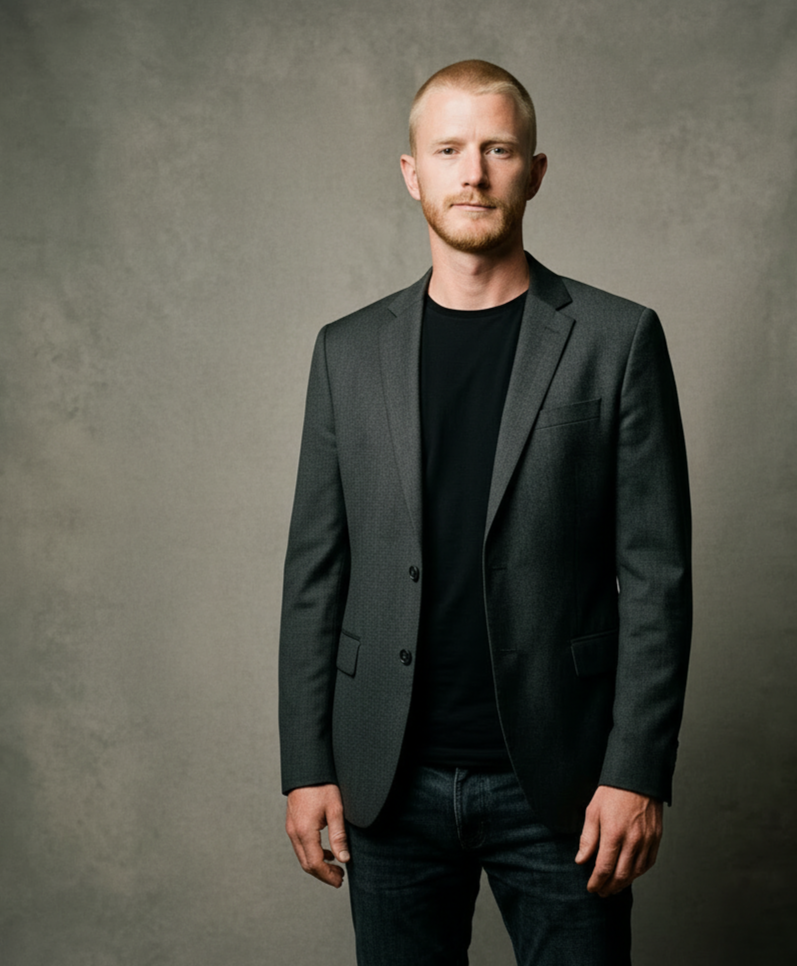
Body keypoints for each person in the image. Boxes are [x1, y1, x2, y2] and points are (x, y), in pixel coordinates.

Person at [279, 59, 692, 965]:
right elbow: (316, 574)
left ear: (535, 171)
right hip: (387, 782)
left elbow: (658, 578)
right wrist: (306, 763)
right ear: (412, 172)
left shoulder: (618, 339)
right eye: (450, 149)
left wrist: (635, 771)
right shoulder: (346, 352)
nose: (473, 172)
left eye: (499, 149)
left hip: (565, 786)